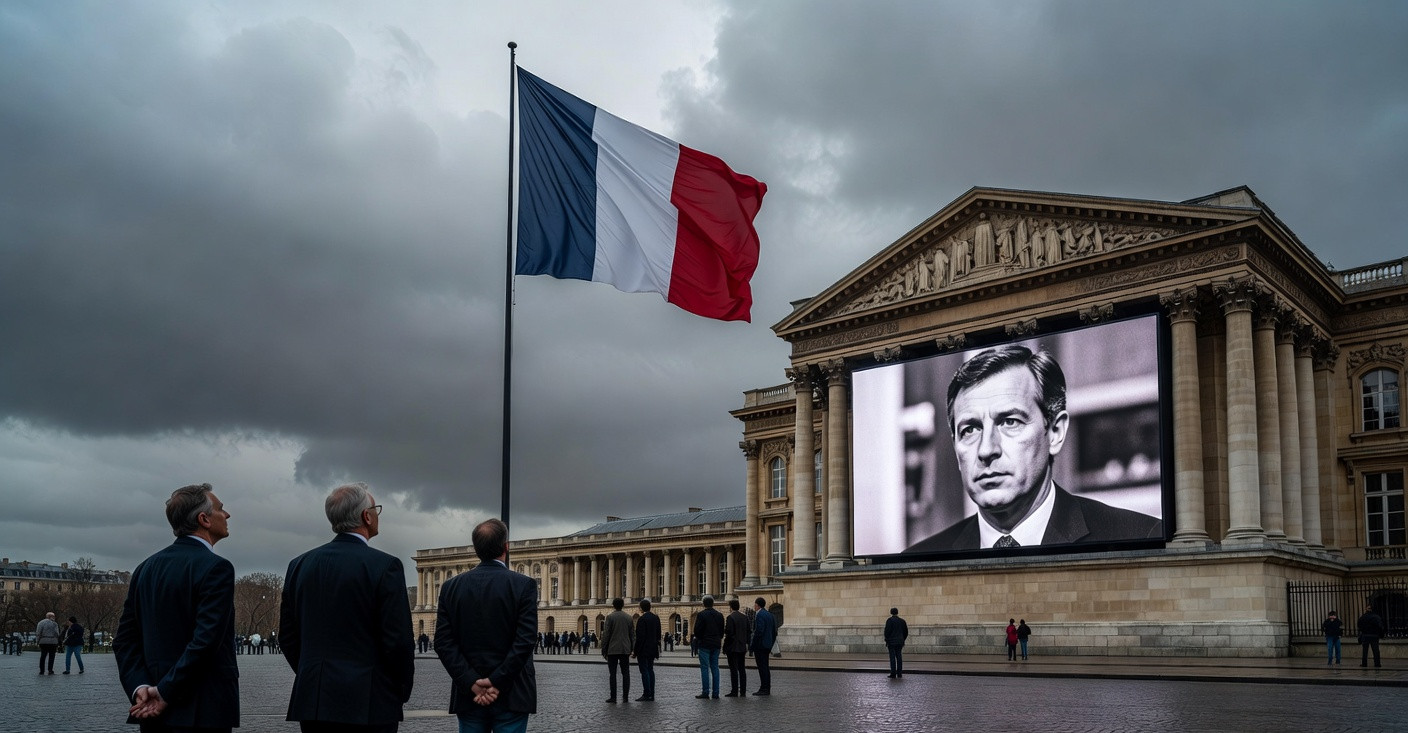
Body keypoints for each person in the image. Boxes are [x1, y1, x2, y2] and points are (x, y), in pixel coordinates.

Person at [906, 345, 1163, 552]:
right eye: (970, 430)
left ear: (1055, 432)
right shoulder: (919, 560)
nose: (986, 450)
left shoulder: (1139, 539)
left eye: (1010, 422)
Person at [280, 482, 415, 733]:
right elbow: (398, 641)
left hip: (314, 699)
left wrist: (313, 673)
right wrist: (399, 690)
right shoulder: (385, 566)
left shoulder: (298, 565)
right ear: (366, 516)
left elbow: (288, 638)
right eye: (376, 509)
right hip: (370, 700)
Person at [114, 483, 239, 732]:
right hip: (202, 705)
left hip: (150, 708)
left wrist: (140, 687)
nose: (227, 515)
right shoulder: (217, 568)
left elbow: (125, 640)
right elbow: (206, 641)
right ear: (203, 519)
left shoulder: (144, 569)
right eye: (221, 509)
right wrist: (164, 691)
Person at [435, 518, 537, 733]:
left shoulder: (450, 588)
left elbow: (443, 643)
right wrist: (495, 681)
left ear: (476, 549)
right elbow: (524, 642)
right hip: (512, 694)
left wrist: (472, 682)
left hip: (469, 695)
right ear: (506, 547)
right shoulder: (523, 585)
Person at [600, 597, 633, 703]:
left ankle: (613, 697)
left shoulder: (610, 617)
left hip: (613, 649)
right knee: (626, 674)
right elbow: (633, 635)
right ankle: (625, 697)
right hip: (625, 649)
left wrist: (604, 649)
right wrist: (632, 648)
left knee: (613, 674)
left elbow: (606, 634)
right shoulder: (629, 617)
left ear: (613, 605)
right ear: (622, 605)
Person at [691, 595, 724, 699]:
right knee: (715, 668)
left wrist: (701, 638)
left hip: (705, 644)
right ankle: (716, 693)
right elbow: (722, 631)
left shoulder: (701, 615)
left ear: (703, 604)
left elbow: (697, 630)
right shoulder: (719, 615)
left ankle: (705, 692)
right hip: (716, 644)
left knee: (705, 668)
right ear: (713, 603)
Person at [632, 599, 661, 701]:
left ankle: (646, 693)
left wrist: (635, 652)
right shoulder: (656, 618)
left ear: (641, 608)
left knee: (644, 671)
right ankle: (652, 693)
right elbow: (658, 635)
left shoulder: (642, 619)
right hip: (653, 649)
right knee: (650, 670)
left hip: (643, 649)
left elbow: (640, 638)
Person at [722, 599, 749, 696]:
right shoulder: (744, 617)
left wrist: (725, 646)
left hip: (733, 647)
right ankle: (743, 691)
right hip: (742, 647)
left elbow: (729, 634)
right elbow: (748, 632)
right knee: (742, 669)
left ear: (731, 607)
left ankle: (734, 691)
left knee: (733, 670)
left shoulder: (730, 617)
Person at [750, 598, 776, 695]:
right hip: (767, 645)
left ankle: (764, 688)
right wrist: (771, 644)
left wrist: (753, 646)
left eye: (755, 604)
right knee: (766, 667)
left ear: (757, 605)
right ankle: (766, 688)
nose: (754, 606)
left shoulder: (759, 615)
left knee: (762, 668)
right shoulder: (770, 615)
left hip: (760, 646)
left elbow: (759, 632)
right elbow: (774, 632)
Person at [884, 607, 908, 678]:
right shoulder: (902, 621)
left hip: (891, 642)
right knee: (899, 657)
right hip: (900, 642)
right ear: (897, 612)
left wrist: (887, 639)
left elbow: (887, 631)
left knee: (892, 658)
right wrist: (903, 639)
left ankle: (893, 673)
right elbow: (906, 632)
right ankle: (899, 673)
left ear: (891, 613)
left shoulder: (889, 620)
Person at [1358, 604, 1384, 668]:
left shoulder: (1363, 617)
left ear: (1366, 609)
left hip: (1365, 635)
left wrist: (1363, 631)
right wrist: (1381, 634)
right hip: (1374, 636)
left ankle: (1364, 664)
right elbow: (1380, 626)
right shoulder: (1376, 617)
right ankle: (1377, 664)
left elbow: (1359, 625)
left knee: (1365, 651)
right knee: (1376, 650)